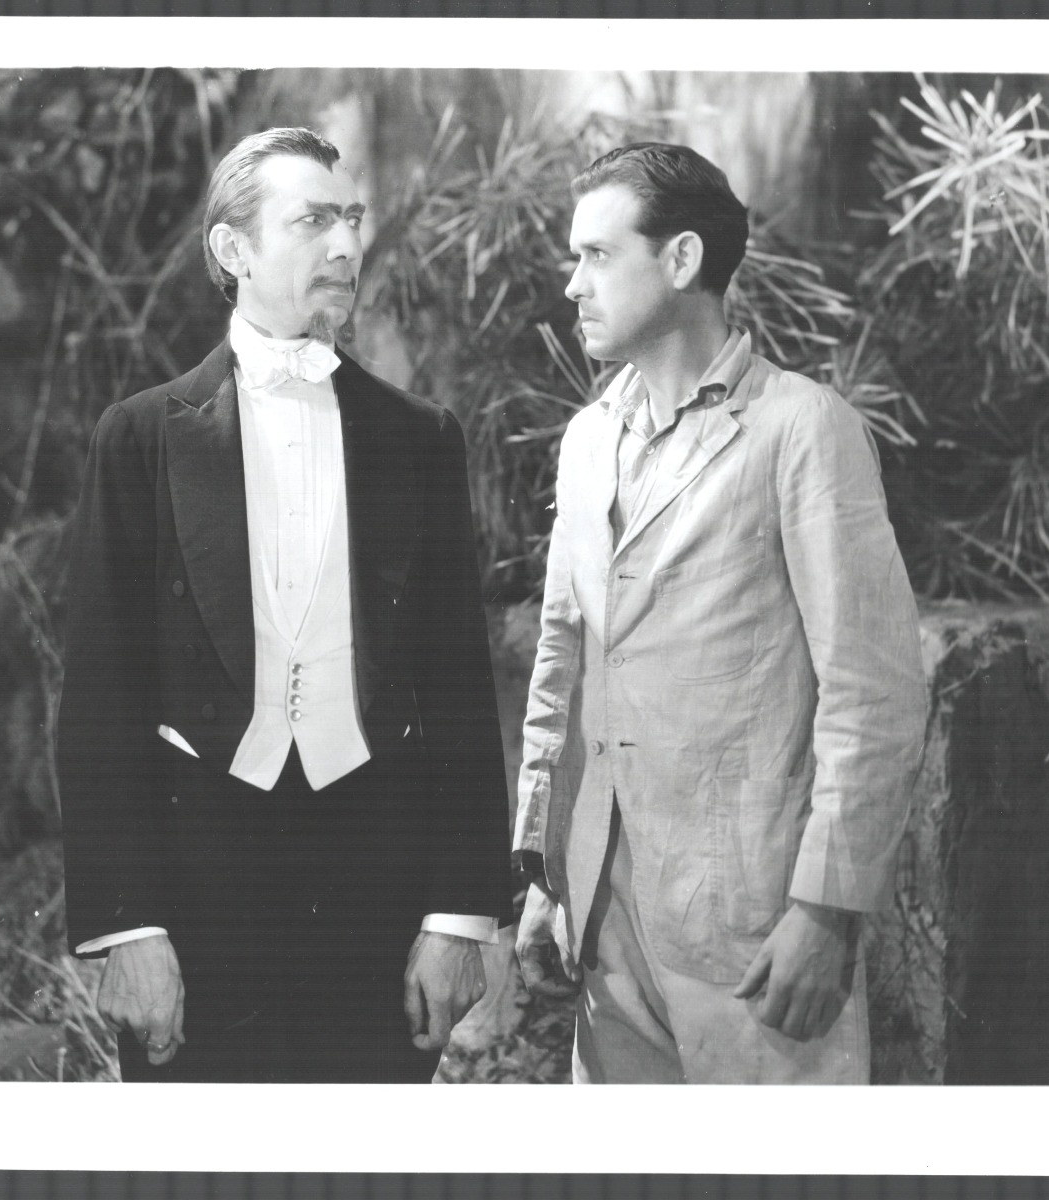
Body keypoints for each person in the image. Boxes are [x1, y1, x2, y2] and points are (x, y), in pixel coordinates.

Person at [57, 127, 512, 1083]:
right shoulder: (138, 439)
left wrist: (457, 917)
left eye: (352, 220)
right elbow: (100, 697)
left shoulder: (419, 438)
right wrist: (127, 927)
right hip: (195, 894)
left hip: (377, 889)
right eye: (313, 222)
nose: (345, 245)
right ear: (234, 249)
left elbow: (459, 689)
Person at [512, 143, 927, 1084]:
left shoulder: (801, 428)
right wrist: (543, 864)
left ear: (682, 259)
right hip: (603, 922)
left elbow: (873, 691)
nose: (572, 284)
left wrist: (825, 911)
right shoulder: (586, 440)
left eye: (597, 255)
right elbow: (562, 661)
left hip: (751, 932)